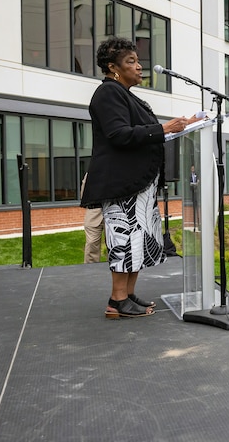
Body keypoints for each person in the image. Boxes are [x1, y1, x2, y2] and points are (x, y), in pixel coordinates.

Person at [80, 36, 194, 318]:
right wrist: (164, 129)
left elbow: (143, 133)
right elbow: (119, 135)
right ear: (113, 67)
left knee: (137, 242)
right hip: (123, 186)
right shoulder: (108, 93)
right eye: (131, 61)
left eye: (137, 60)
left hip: (138, 187)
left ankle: (128, 295)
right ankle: (117, 300)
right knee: (124, 240)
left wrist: (179, 127)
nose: (139, 66)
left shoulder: (128, 96)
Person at [81, 172, 104, 263]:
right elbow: (84, 192)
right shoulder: (92, 171)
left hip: (113, 212)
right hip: (94, 212)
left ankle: (116, 273)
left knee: (115, 247)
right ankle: (90, 273)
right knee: (91, 245)